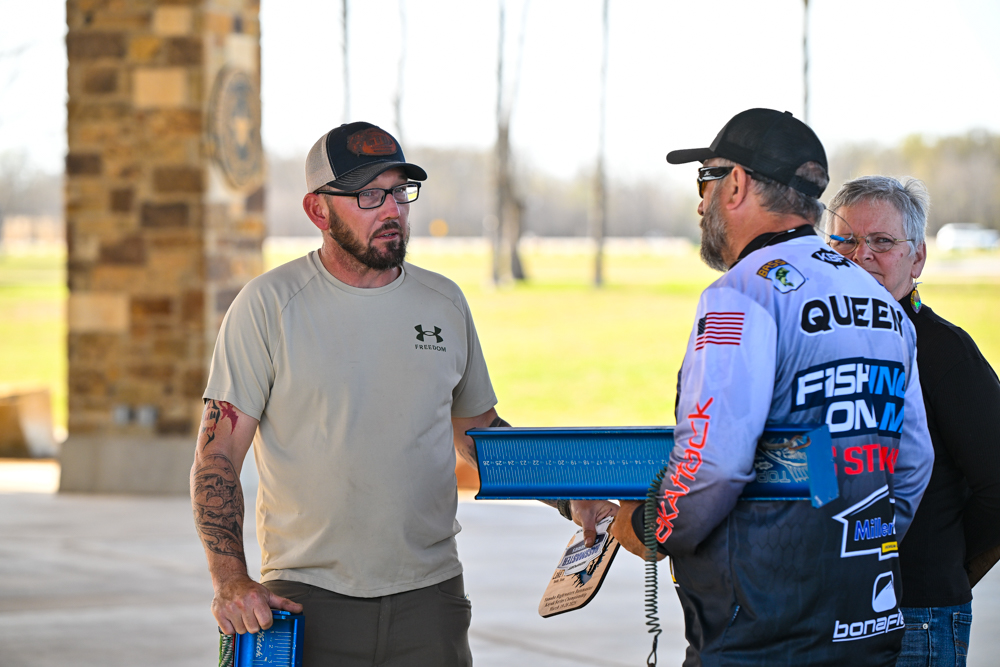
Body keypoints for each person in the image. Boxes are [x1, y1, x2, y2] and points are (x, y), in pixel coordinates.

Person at [595, 109, 933, 665]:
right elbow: (913, 460)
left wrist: (649, 527)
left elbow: (714, 465)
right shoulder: (881, 302)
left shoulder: (740, 295)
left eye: (705, 181)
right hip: (865, 622)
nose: (700, 204)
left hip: (760, 631)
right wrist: (857, 541)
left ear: (736, 184)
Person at [190, 121, 503, 666]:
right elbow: (217, 457)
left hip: (431, 601)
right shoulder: (267, 306)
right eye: (368, 195)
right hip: (304, 601)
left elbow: (479, 434)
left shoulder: (445, 303)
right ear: (318, 210)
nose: (392, 209)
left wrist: (573, 496)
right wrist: (231, 578)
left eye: (399, 191)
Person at [826, 175, 1000, 667]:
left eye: (882, 242)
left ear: (917, 258)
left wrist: (945, 564)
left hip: (915, 617)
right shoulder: (822, 343)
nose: (861, 255)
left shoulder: (944, 350)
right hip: (827, 611)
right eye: (845, 240)